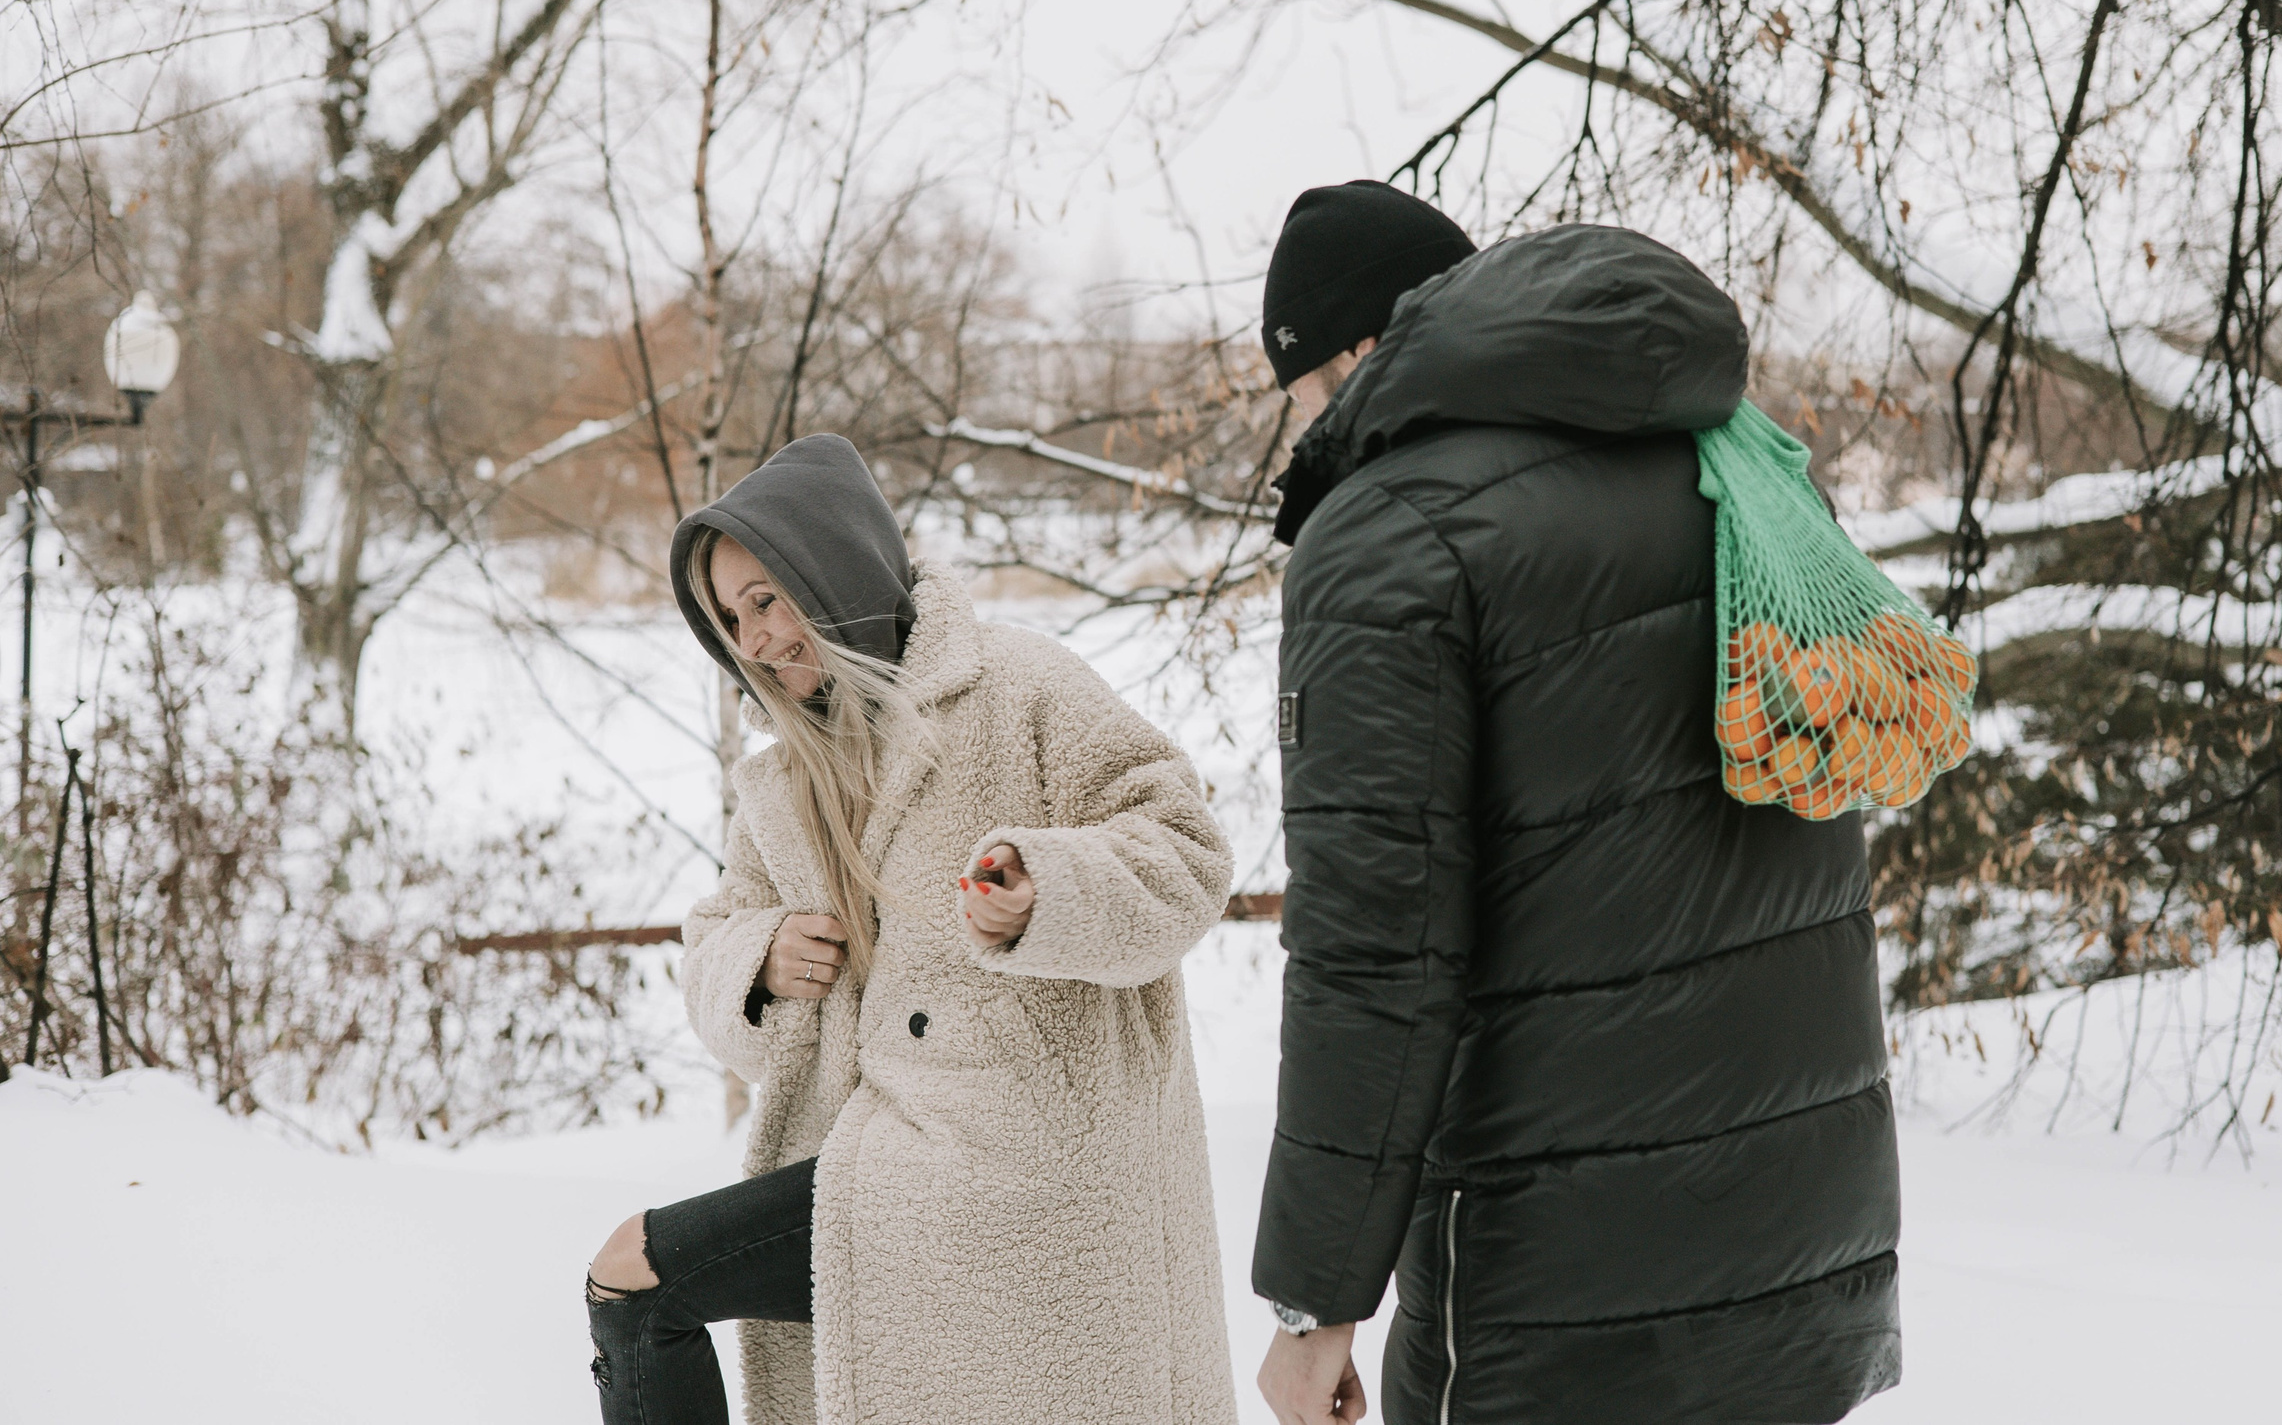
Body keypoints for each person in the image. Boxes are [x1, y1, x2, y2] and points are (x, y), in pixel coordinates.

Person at [1248, 183, 1902, 1425]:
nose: (1314, 429)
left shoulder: (1388, 538)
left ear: (1354, 354)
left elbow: (1371, 958)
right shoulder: (1742, 464)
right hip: (1805, 1246)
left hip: (1548, 1287)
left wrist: (1313, 1305)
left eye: (1307, 396)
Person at [583, 434, 1238, 1425]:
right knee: (629, 1282)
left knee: (637, 1275)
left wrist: (1044, 892)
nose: (752, 640)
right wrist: (756, 960)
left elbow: (1185, 851)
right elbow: (713, 936)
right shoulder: (781, 776)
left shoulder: (1019, 685)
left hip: (1030, 1172)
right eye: (729, 618)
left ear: (831, 568)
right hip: (876, 1164)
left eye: (766, 598)